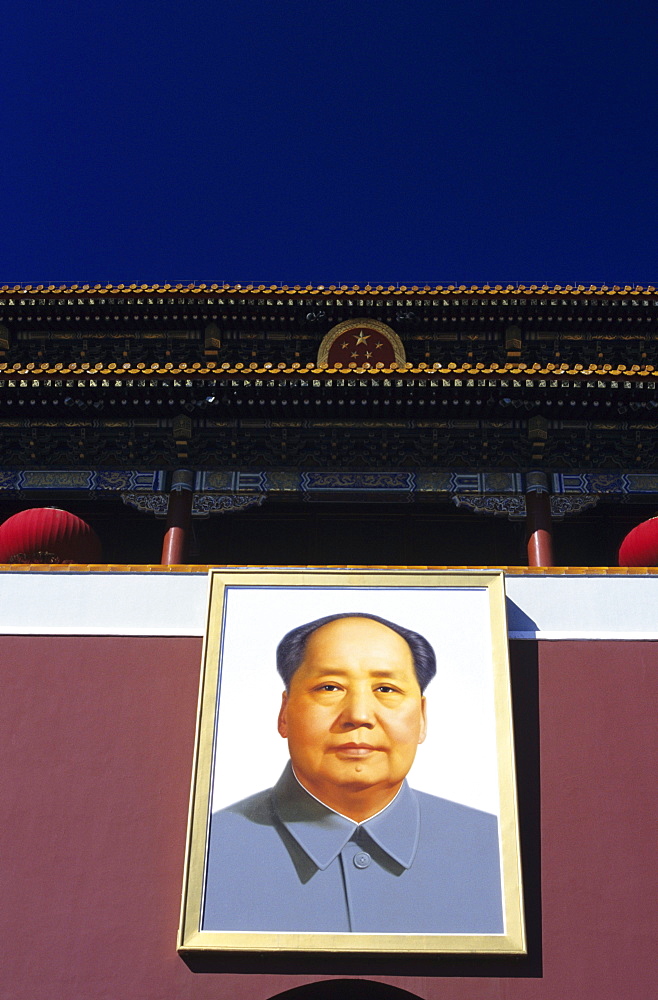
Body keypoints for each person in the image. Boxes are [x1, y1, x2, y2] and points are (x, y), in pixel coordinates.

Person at [203, 612, 503, 934]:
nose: (359, 715)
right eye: (330, 687)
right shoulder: (207, 851)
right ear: (284, 713)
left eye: (386, 689)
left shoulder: (496, 850)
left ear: (423, 717)